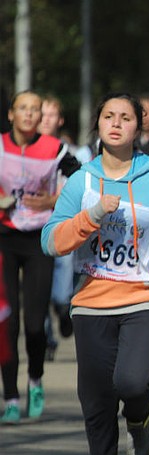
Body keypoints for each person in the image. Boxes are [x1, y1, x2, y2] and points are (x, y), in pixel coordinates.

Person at [42, 92, 149, 455]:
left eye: (126, 117)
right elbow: (51, 241)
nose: (116, 123)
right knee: (95, 397)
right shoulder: (82, 182)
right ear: (98, 125)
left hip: (148, 296)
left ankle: (138, 416)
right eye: (108, 116)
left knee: (132, 381)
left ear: (138, 127)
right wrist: (89, 217)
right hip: (93, 300)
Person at [0, 91, 81, 423]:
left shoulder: (54, 148)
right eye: (23, 109)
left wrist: (54, 200)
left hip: (39, 241)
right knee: (7, 322)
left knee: (35, 325)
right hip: (4, 238)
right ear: (11, 114)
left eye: (35, 109)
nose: (30, 115)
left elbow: (80, 179)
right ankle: (10, 397)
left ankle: (34, 380)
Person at [37, 95, 80, 361]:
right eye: (42, 114)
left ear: (60, 120)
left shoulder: (70, 153)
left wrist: (56, 200)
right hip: (33, 231)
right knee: (38, 291)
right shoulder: (22, 150)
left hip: (64, 229)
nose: (45, 120)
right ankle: (46, 339)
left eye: (51, 115)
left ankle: (65, 312)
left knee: (62, 294)